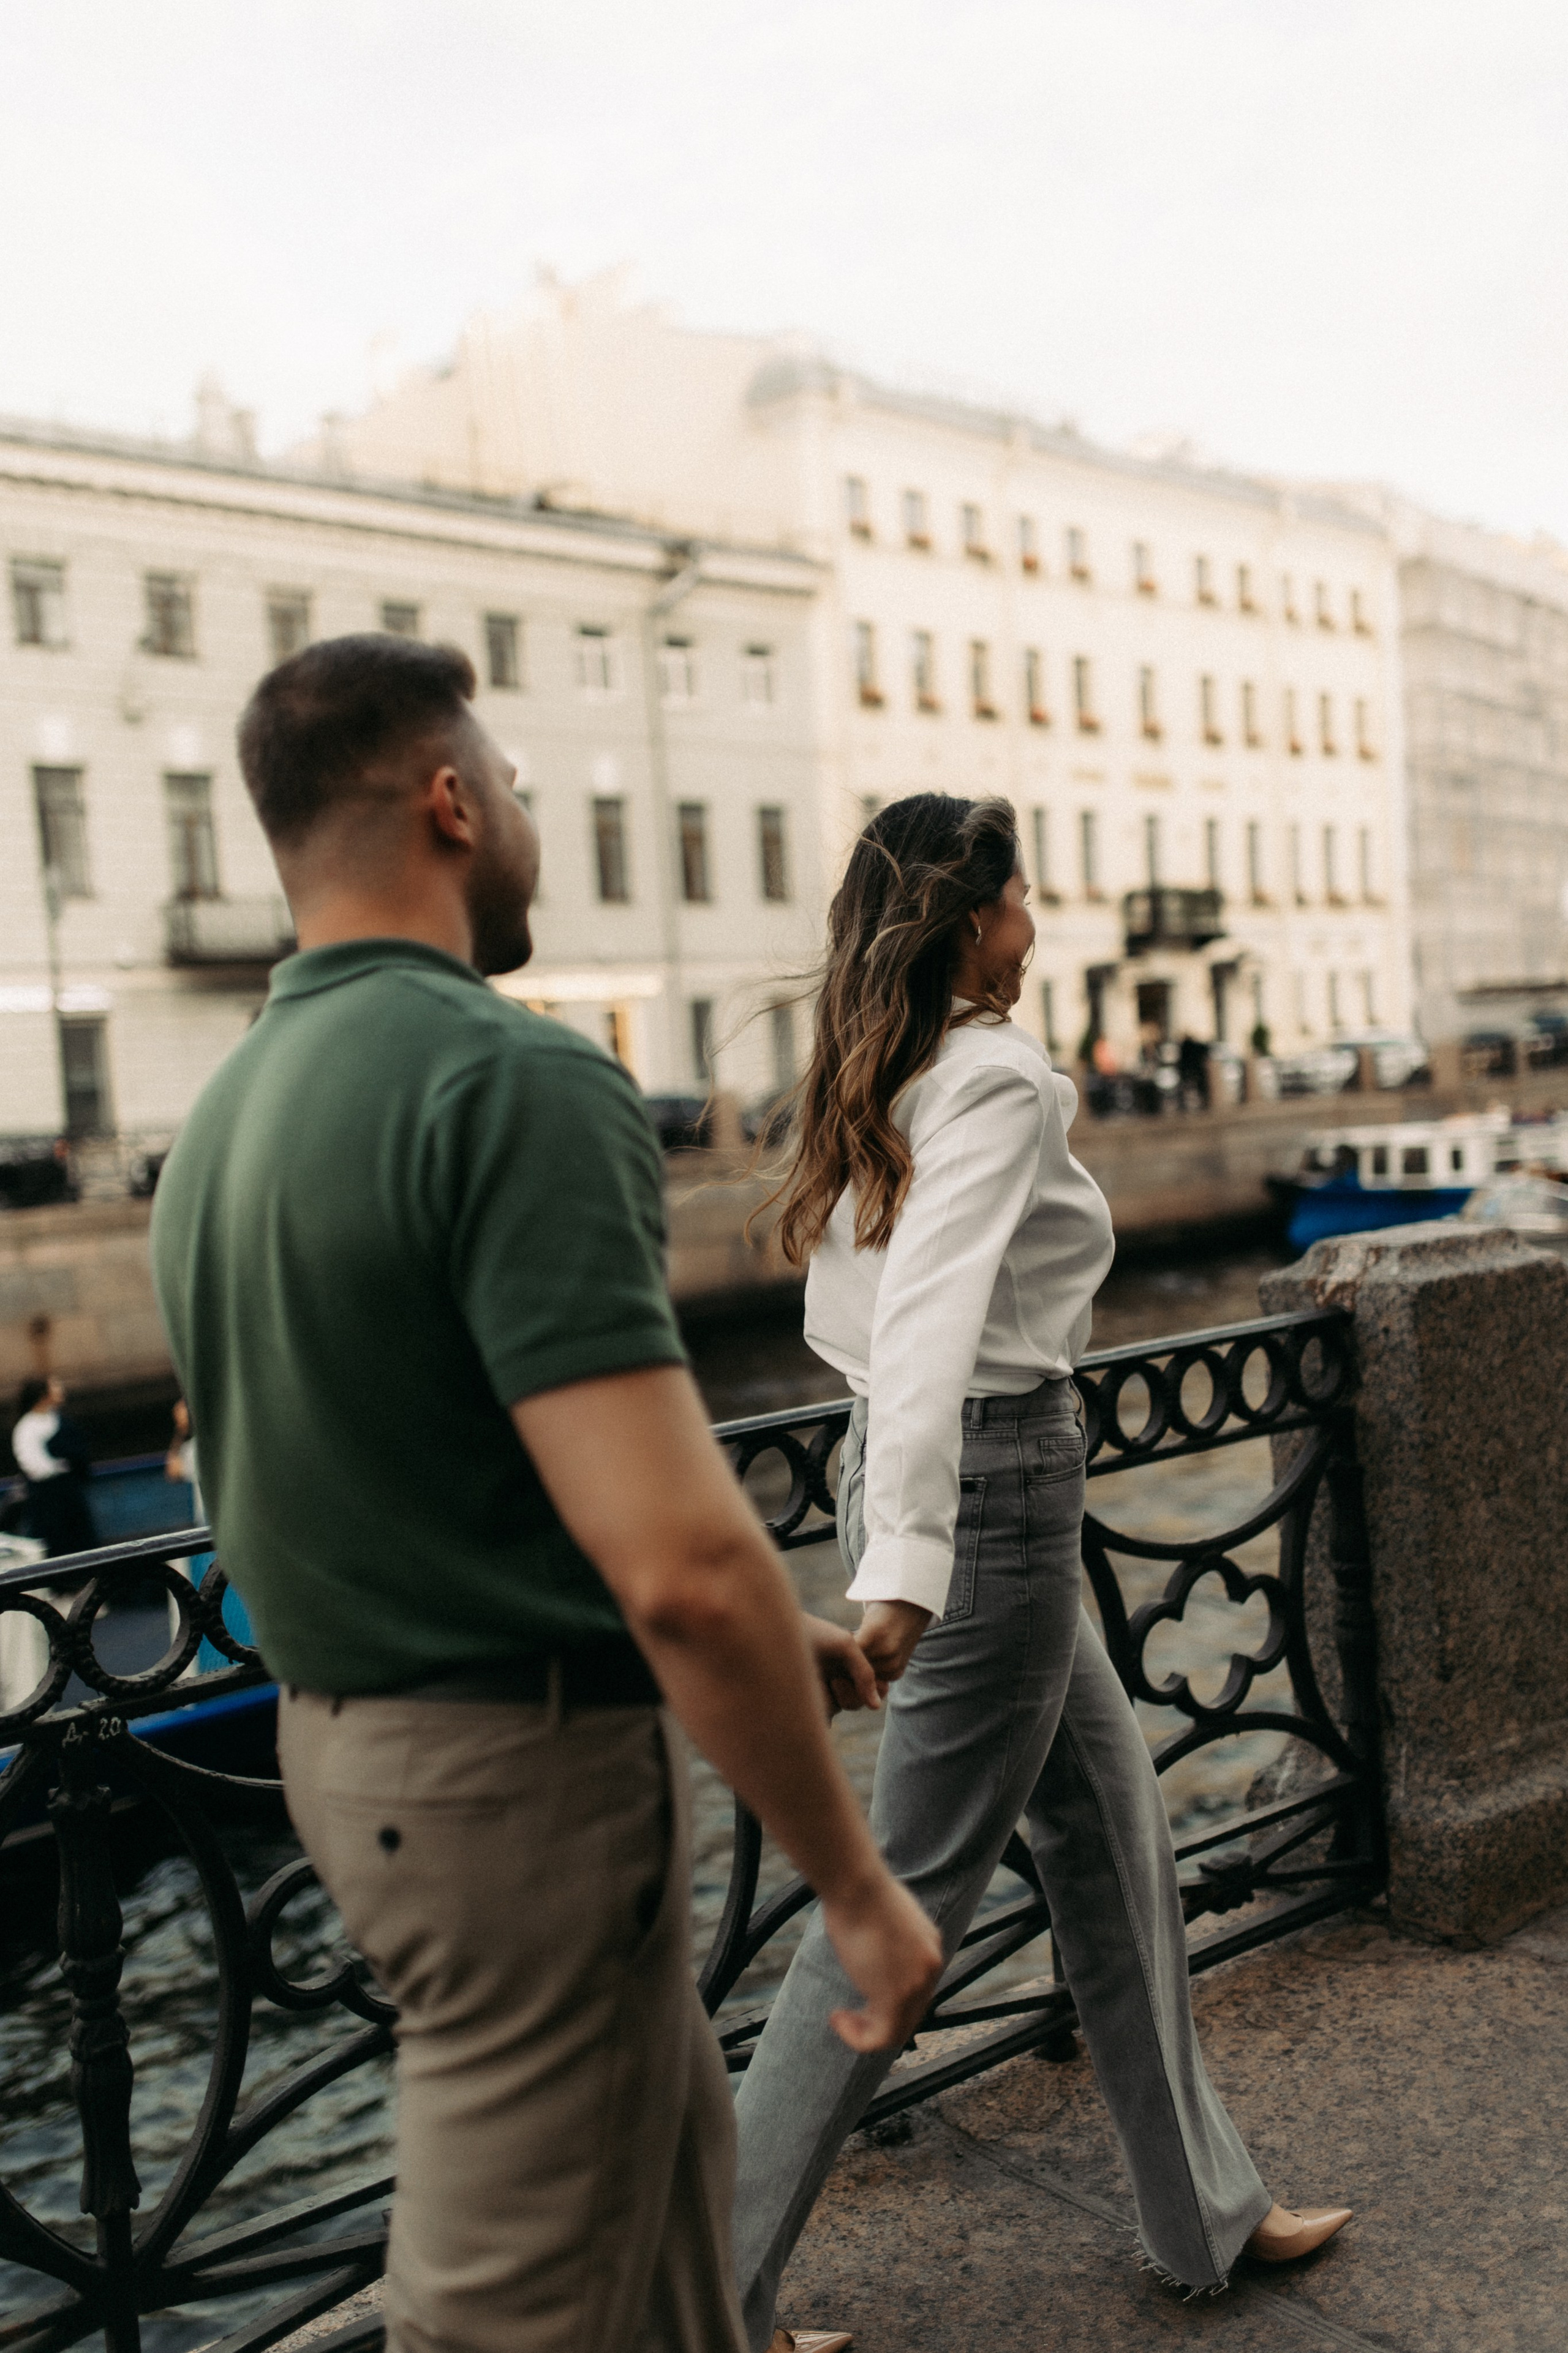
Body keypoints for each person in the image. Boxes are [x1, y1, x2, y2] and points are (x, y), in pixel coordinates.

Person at [150, 634, 941, 2353]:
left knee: (662, 2225)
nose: (518, 815)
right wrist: (857, 1888)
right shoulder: (513, 1077)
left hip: (351, 1752)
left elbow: (337, 1457)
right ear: (450, 802)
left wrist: (732, 1623)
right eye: (508, 784)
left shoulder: (221, 1120)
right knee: (496, 2318)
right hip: (517, 1784)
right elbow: (676, 1562)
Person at [730, 793, 1351, 2350]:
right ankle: (694, 2290)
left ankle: (1198, 2205)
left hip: (939, 1464)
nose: (1034, 921)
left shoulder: (890, 1067)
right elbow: (937, 1316)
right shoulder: (996, 1074)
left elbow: (879, 1327)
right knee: (892, 1901)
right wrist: (910, 1567)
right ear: (969, 919)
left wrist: (898, 1521)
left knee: (1114, 1840)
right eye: (1019, 896)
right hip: (986, 1492)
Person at [11, 1375, 97, 1557]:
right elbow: (34, 1466)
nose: (60, 1390)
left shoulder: (60, 1421)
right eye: (55, 1387)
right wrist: (61, 1466)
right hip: (48, 1498)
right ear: (43, 1394)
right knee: (57, 1544)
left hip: (71, 1494)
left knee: (83, 1542)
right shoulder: (27, 1427)